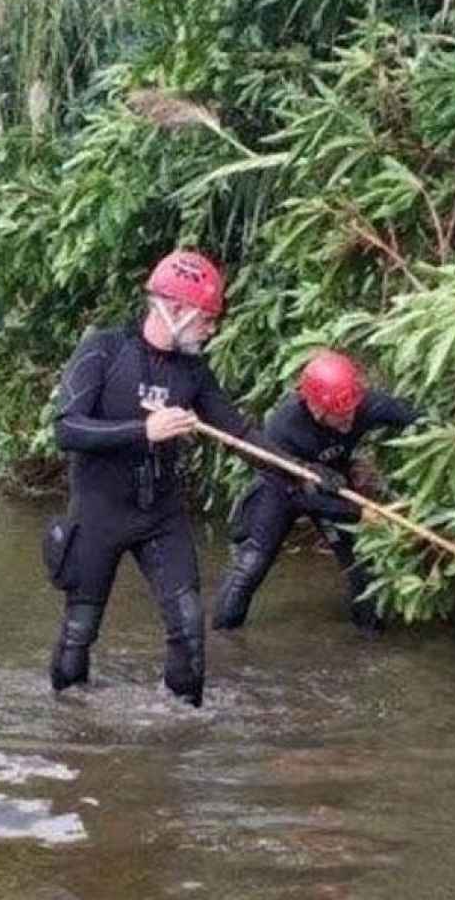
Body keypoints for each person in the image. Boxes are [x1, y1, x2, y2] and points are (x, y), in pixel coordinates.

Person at [46, 248, 279, 707]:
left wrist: (306, 473)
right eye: (206, 319)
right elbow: (66, 428)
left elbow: (239, 432)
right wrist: (144, 430)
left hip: (161, 517)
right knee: (79, 633)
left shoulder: (193, 371)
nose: (211, 330)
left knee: (190, 627)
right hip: (98, 513)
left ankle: (184, 735)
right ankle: (68, 733)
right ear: (174, 309)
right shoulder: (104, 348)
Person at [210, 350, 420, 633]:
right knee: (251, 565)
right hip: (282, 488)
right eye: (339, 416)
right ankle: (224, 636)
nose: (348, 421)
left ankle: (370, 634)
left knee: (360, 565)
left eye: (351, 413)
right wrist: (358, 511)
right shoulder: (284, 426)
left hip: (334, 484)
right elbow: (298, 493)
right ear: (316, 409)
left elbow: (413, 416)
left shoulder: (364, 405)